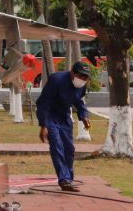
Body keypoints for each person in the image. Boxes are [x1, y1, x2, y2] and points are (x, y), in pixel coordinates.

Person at [36, 61, 92, 192]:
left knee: (69, 148)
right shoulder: (57, 80)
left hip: (64, 115)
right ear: (73, 73)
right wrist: (43, 125)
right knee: (57, 146)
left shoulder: (82, 85)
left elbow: (79, 101)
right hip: (49, 114)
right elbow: (44, 103)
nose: (83, 79)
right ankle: (64, 179)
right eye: (81, 76)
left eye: (85, 77)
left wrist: (84, 116)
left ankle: (68, 179)